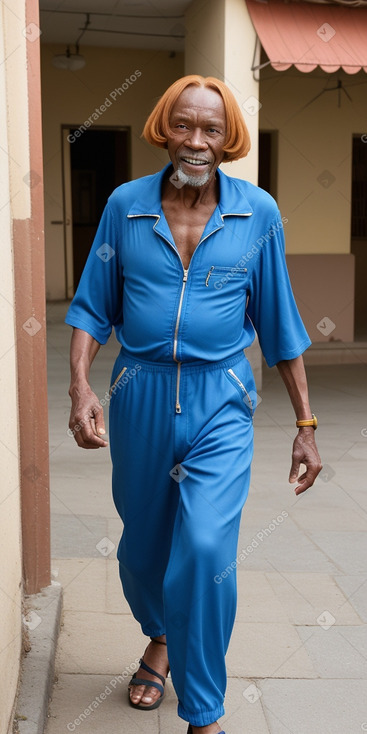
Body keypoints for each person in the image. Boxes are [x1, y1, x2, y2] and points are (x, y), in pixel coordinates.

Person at [66, 75, 322, 734]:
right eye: (184, 124)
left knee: (206, 549)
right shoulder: (125, 205)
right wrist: (79, 385)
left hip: (221, 398)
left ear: (228, 138)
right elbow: (94, 306)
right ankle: (161, 637)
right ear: (164, 127)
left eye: (211, 129)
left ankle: (203, 712)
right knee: (143, 553)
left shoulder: (255, 212)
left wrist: (304, 423)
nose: (196, 140)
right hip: (139, 393)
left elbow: (281, 322)